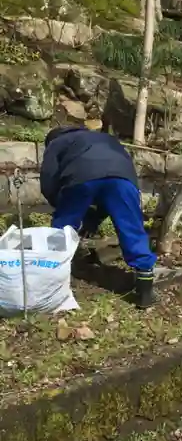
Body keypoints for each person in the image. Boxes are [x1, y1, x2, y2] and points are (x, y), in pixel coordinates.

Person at [40, 126, 157, 308]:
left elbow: (48, 177)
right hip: (123, 179)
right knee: (131, 227)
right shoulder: (105, 138)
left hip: (80, 177)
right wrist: (93, 220)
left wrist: (61, 205)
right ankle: (145, 287)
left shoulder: (56, 142)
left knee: (63, 226)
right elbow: (108, 189)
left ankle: (51, 277)